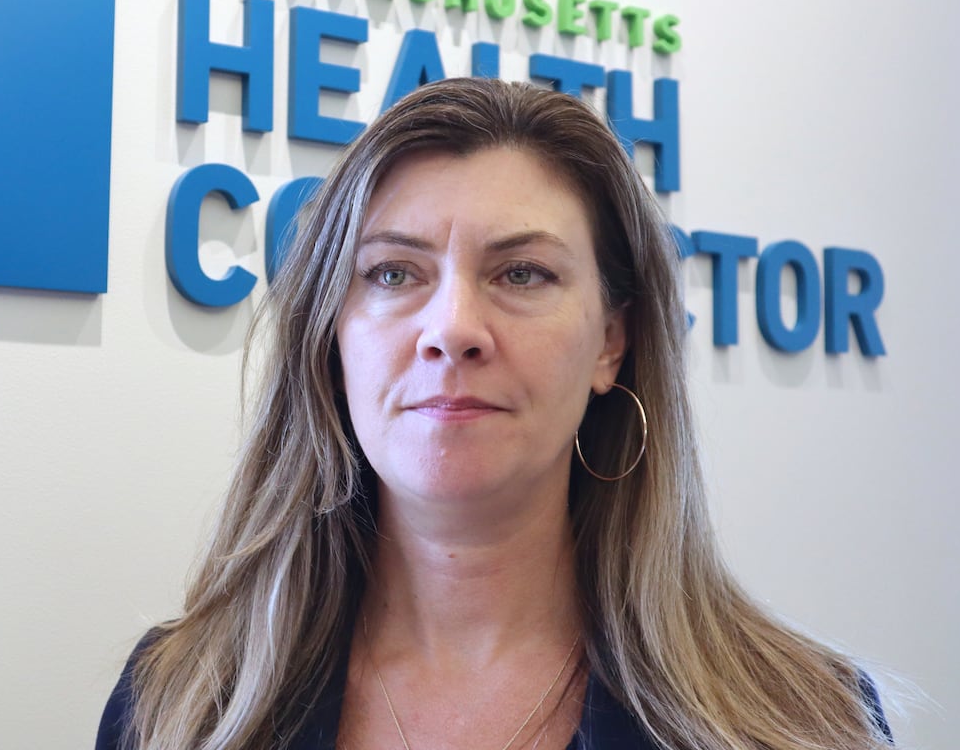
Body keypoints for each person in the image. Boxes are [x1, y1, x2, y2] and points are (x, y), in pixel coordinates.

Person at [97, 78, 893, 750]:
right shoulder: (179, 704)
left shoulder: (805, 719)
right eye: (392, 273)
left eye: (521, 273)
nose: (451, 330)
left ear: (612, 342)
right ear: (331, 337)